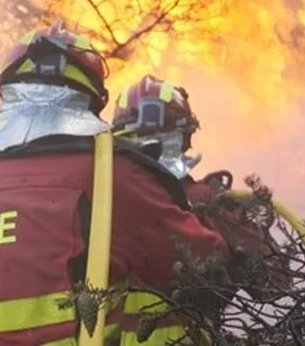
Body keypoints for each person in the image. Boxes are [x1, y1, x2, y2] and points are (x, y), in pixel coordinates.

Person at [0, 23, 229, 346]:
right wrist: (222, 220)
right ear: (92, 98)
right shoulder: (111, 173)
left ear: (6, 89)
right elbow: (203, 264)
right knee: (163, 302)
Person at [111, 74, 292, 306]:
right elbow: (275, 283)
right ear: (185, 139)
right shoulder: (212, 204)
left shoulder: (98, 197)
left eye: (163, 142)